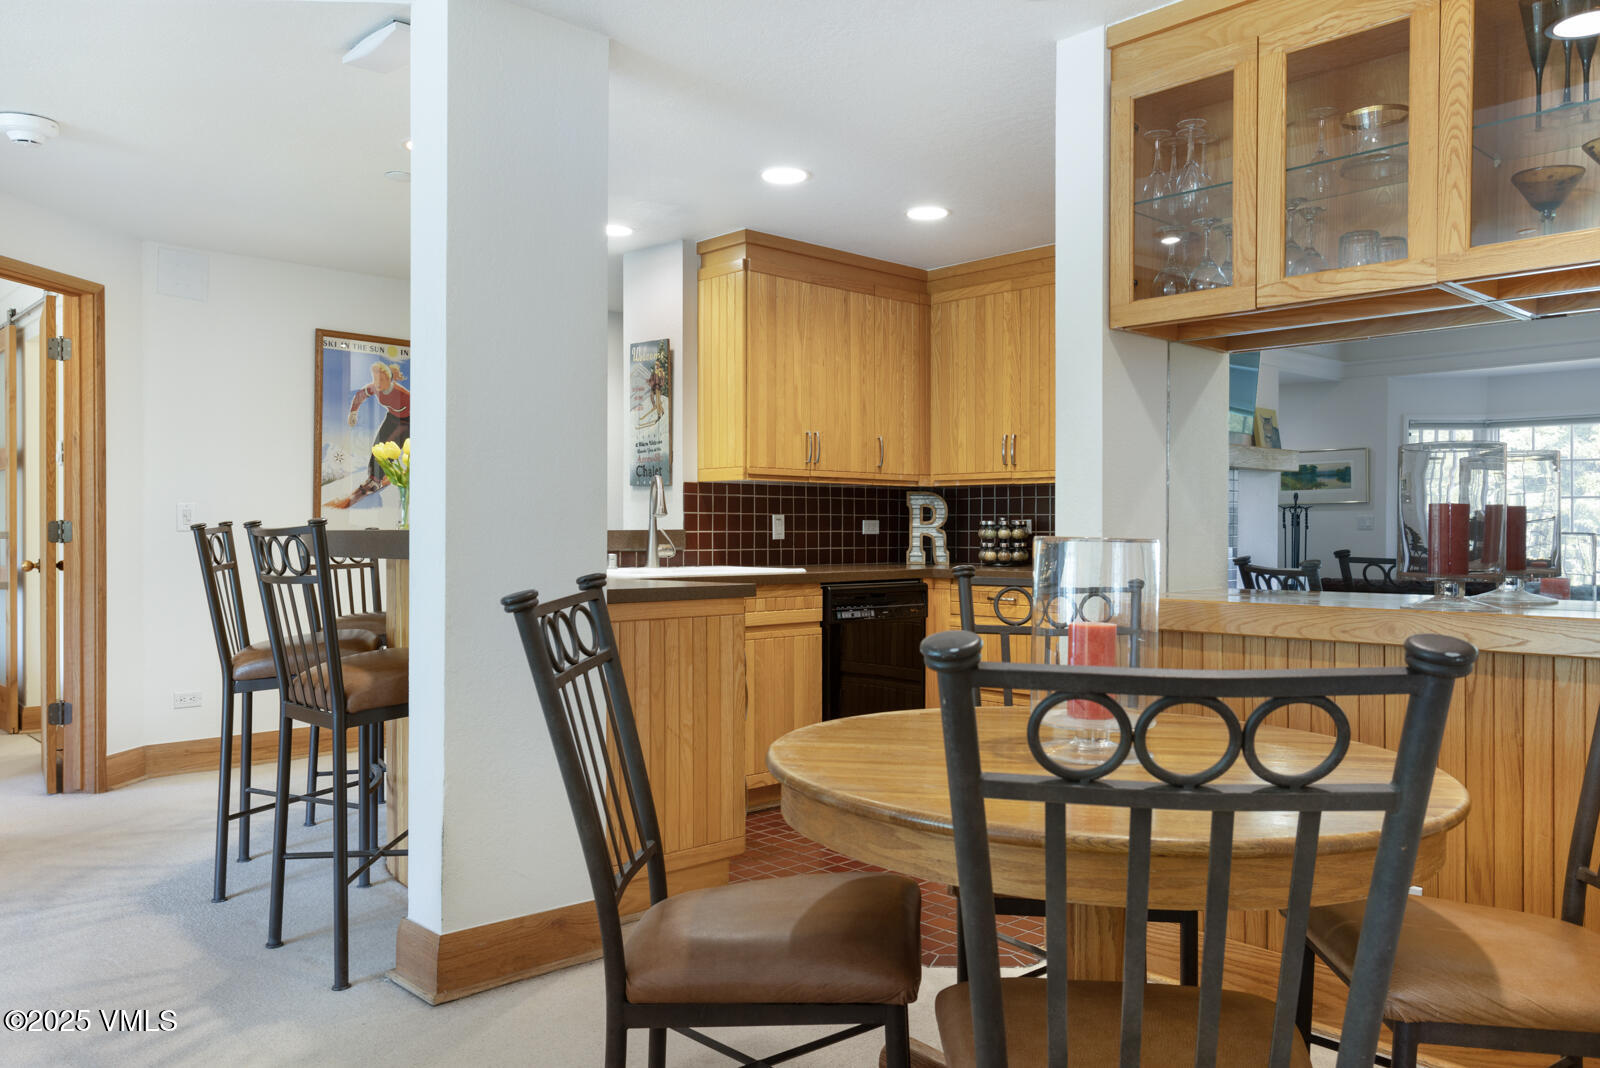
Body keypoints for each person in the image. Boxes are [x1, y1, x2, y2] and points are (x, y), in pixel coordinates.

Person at [325, 361, 410, 509]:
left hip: (408, 422)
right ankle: (374, 479)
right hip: (392, 418)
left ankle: (382, 473)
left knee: (387, 449)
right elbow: (360, 395)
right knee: (377, 447)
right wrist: (353, 412)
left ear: (389, 380)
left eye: (381, 380)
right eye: (375, 379)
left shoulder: (402, 394)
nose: (377, 383)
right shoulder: (374, 389)